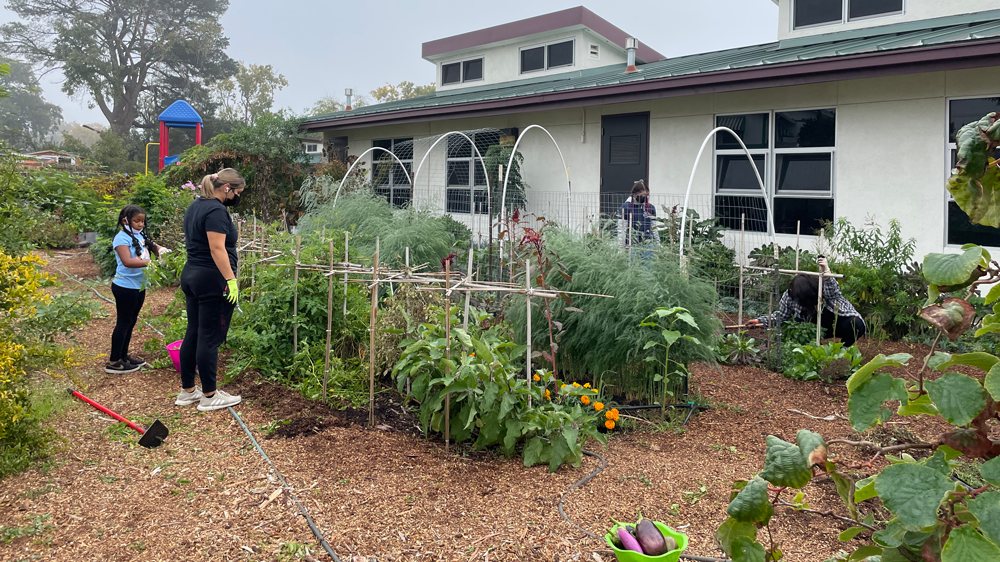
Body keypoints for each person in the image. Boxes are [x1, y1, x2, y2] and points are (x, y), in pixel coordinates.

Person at [176, 168, 246, 411]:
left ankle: (187, 391)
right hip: (210, 278)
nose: (237, 197)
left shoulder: (196, 205)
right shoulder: (216, 210)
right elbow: (217, 249)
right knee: (209, 337)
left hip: (192, 274)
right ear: (227, 189)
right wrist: (231, 279)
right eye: (237, 192)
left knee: (193, 332)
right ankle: (209, 395)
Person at [106, 204, 171, 374]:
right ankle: (114, 361)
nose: (140, 224)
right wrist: (153, 263)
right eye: (136, 221)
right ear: (125, 221)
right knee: (123, 322)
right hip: (125, 286)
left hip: (138, 286)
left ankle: (124, 356)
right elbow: (127, 261)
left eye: (142, 221)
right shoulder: (121, 238)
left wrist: (160, 249)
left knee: (131, 321)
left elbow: (149, 243)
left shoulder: (138, 234)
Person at [748, 257, 867, 346]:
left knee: (856, 324)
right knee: (795, 324)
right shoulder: (790, 295)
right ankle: (808, 347)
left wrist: (826, 272)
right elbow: (781, 317)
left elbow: (833, 290)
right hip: (813, 325)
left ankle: (844, 350)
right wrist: (760, 321)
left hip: (837, 323)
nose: (800, 303)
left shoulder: (822, 289)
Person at [617, 180, 661, 253]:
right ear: (635, 194)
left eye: (646, 196)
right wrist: (621, 247)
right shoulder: (625, 208)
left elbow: (654, 228)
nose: (644, 198)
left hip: (648, 243)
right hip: (632, 244)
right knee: (633, 263)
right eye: (642, 196)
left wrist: (657, 242)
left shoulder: (650, 208)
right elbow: (622, 229)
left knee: (648, 263)